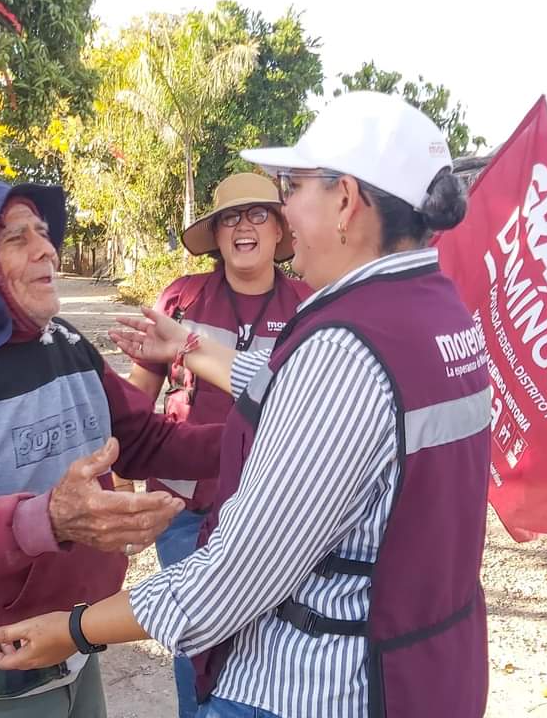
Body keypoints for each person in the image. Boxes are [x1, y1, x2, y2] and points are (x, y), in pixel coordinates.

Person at [0, 91, 493, 718]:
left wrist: (72, 629)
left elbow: (234, 577)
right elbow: (317, 398)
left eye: (292, 185)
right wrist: (189, 347)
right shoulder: (438, 315)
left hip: (317, 686)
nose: (283, 208)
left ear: (345, 202)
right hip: (425, 663)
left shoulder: (347, 344)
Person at [0, 172, 222, 718]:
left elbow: (141, 439)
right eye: (17, 239)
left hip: (72, 638)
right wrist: (50, 519)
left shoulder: (62, 342)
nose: (46, 250)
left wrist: (264, 440)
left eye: (43, 232)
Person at [125, 172, 313, 717]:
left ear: (281, 230)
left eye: (258, 215)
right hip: (186, 506)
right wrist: (120, 481)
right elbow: (139, 396)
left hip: (278, 507)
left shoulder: (309, 303)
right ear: (216, 234)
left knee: (263, 642)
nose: (243, 227)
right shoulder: (182, 298)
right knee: (197, 634)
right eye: (231, 217)